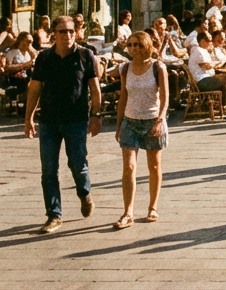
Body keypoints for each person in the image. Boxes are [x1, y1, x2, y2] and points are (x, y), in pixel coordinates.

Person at [24, 17, 102, 234]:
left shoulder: (85, 55)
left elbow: (95, 89)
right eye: (62, 31)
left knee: (78, 163)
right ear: (53, 35)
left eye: (70, 31)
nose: (67, 35)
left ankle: (84, 194)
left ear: (75, 33)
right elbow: (35, 87)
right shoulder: (44, 57)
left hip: (76, 120)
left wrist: (96, 115)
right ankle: (54, 215)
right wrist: (29, 118)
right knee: (49, 170)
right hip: (49, 120)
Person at [113, 31, 169, 229]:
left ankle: (153, 207)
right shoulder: (125, 68)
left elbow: (165, 96)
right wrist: (118, 125)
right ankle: (128, 212)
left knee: (154, 166)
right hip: (130, 121)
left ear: (146, 45)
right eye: (130, 45)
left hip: (152, 120)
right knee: (128, 167)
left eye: (137, 45)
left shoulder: (157, 67)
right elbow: (123, 97)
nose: (133, 48)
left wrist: (160, 119)